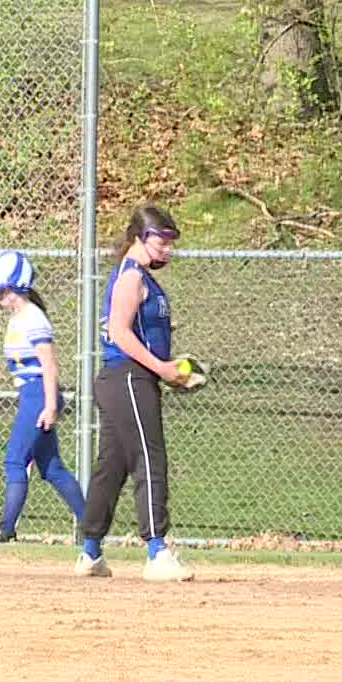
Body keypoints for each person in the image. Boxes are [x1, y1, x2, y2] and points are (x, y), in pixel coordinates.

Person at [78, 203, 195, 582]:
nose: (166, 248)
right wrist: (162, 368)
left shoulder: (140, 276)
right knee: (149, 458)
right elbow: (119, 331)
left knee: (111, 468)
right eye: (161, 240)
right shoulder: (131, 277)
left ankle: (90, 551)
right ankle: (157, 550)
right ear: (140, 239)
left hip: (124, 380)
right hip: (129, 377)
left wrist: (169, 366)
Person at [0, 251, 84, 548]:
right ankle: (91, 523)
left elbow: (48, 364)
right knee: (51, 468)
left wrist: (50, 405)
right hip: (32, 393)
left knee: (14, 460)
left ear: (18, 287)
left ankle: (7, 527)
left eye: (3, 291)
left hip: (39, 394)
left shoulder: (33, 318)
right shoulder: (19, 318)